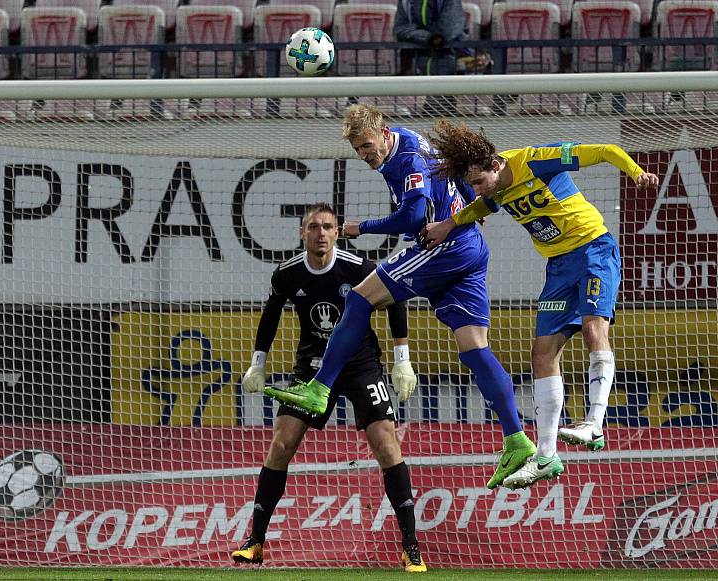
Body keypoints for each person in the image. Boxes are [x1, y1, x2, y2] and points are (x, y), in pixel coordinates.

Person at [263, 104, 536, 491]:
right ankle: (517, 439)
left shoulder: (404, 159)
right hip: (470, 244)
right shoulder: (409, 137)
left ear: (383, 133)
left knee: (359, 299)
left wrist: (361, 227)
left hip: (442, 248)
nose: (364, 155)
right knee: (474, 348)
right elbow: (451, 169)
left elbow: (412, 218)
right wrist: (466, 206)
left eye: (367, 146)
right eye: (357, 149)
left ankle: (319, 388)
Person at [421, 122, 659, 489]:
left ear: (496, 164)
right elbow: (481, 205)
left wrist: (636, 172)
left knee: (594, 328)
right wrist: (448, 224)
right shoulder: (494, 189)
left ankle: (594, 423)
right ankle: (546, 455)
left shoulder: (538, 160)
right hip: (558, 267)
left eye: (480, 181)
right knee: (542, 353)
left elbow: (606, 149)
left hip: (594, 249)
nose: (478, 190)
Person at [231, 203, 427, 573]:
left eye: (328, 227)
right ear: (302, 233)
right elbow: (270, 316)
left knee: (386, 442)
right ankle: (255, 541)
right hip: (313, 366)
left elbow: (394, 301)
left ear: (338, 233)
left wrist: (403, 360)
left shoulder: (358, 268)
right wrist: (258, 363)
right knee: (282, 443)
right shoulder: (287, 274)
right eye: (314, 227)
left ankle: (411, 546)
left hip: (359, 363)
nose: (321, 233)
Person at [394, 0, 468, 114]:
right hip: (420, 63)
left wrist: (417, 33)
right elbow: (400, 29)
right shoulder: (406, 2)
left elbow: (446, 31)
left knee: (442, 112)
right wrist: (427, 37)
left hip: (450, 60)